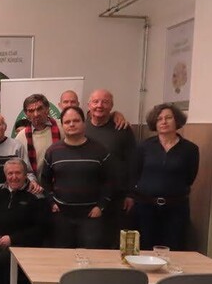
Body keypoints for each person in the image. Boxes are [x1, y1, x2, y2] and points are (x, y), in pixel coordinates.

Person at [130, 103, 199, 250]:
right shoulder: (144, 147)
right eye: (159, 119)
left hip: (176, 207)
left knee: (174, 248)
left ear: (177, 120)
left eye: (168, 118)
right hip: (146, 206)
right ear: (154, 123)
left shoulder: (190, 149)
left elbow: (190, 177)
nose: (164, 122)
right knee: (145, 248)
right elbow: (135, 173)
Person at [41, 106, 111, 249]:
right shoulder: (53, 151)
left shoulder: (99, 150)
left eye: (76, 121)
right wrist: (51, 203)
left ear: (84, 123)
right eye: (67, 122)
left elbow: (109, 181)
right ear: (62, 125)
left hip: (91, 216)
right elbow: (45, 180)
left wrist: (101, 206)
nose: (71, 124)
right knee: (62, 257)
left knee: (91, 257)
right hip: (62, 216)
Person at [85, 89, 136, 246]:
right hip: (91, 197)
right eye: (95, 101)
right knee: (92, 241)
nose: (99, 105)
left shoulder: (122, 128)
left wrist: (131, 194)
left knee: (115, 241)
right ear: (88, 105)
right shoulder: (82, 128)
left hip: (118, 197)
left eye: (105, 102)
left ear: (112, 106)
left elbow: (133, 162)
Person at [0, 112, 39, 191]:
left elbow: (28, 172)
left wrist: (32, 182)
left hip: (12, 195)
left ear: (5, 127)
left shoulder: (17, 146)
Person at [15, 94, 62, 179]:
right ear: (26, 113)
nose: (36, 114)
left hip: (60, 182)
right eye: (31, 111)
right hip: (33, 185)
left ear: (47, 109)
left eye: (39, 109)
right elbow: (18, 167)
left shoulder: (62, 128)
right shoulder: (21, 137)